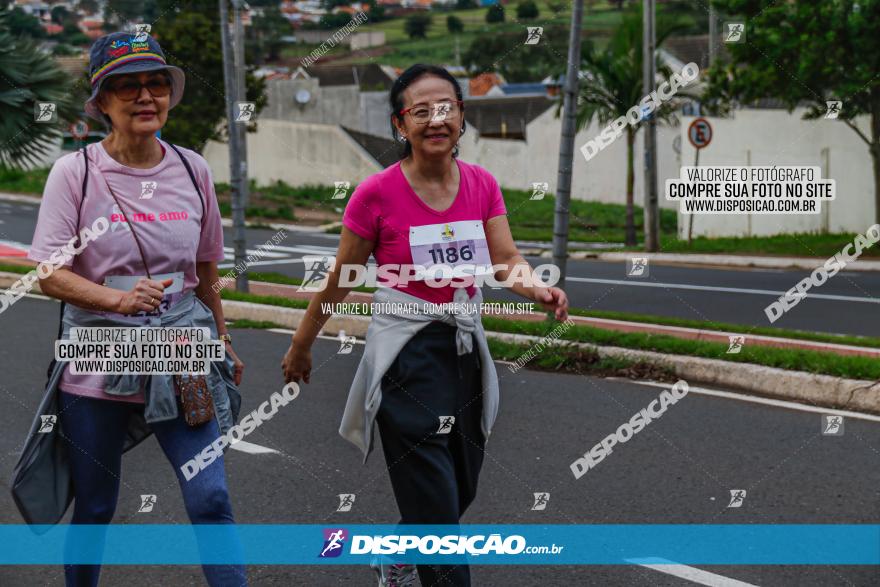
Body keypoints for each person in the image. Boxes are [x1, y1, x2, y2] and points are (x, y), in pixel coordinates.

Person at [282, 64, 568, 586]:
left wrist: (537, 288)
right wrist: (301, 346)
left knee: (459, 490)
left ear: (461, 117)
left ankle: (396, 549)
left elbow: (504, 259)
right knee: (439, 520)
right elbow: (338, 281)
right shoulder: (375, 194)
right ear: (400, 124)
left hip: (462, 353)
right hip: (405, 358)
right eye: (421, 111)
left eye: (447, 108)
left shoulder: (481, 184)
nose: (436, 120)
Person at [20, 31, 247, 586]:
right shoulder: (75, 173)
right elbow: (49, 273)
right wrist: (116, 300)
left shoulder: (193, 170)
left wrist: (221, 337)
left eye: (156, 84)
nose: (146, 97)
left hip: (182, 347)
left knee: (211, 496)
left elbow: (207, 270)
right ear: (101, 102)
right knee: (96, 507)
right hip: (99, 355)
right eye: (127, 87)